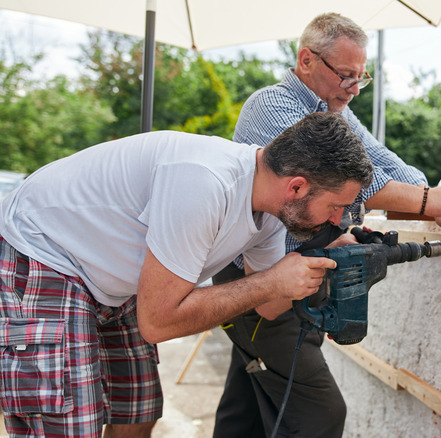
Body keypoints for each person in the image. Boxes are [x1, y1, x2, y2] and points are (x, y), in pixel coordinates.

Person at [0, 112, 374, 438]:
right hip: (45, 252)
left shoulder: (274, 214)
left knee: (136, 414)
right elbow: (158, 322)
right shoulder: (205, 182)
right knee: (71, 425)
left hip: (112, 279)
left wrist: (317, 259)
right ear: (296, 187)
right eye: (336, 207)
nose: (337, 220)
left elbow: (269, 309)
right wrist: (271, 281)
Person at [212, 12, 441, 438]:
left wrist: (424, 196)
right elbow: (335, 179)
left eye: (362, 78)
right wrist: (430, 201)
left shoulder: (334, 114)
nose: (354, 88)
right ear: (306, 61)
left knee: (247, 402)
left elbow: (389, 166)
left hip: (296, 274)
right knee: (319, 414)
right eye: (345, 75)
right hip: (257, 277)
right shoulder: (272, 104)